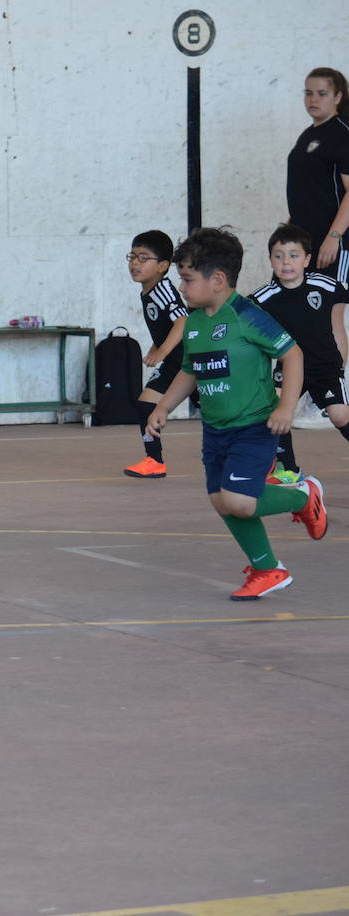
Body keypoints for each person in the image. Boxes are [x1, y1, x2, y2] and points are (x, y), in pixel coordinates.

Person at [146, 227, 327, 601]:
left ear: (218, 279)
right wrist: (163, 406)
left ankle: (302, 496)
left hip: (254, 425)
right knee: (220, 499)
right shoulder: (194, 322)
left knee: (239, 501)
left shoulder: (247, 315)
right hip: (215, 429)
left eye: (187, 279)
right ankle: (268, 570)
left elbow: (292, 354)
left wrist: (286, 406)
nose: (181, 287)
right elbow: (190, 370)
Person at [249, 223, 349, 482]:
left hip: (325, 368)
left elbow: (339, 318)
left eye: (294, 256)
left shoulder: (325, 287)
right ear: (270, 259)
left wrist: (340, 364)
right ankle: (288, 469)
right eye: (278, 256)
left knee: (340, 416)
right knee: (275, 411)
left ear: (307, 259)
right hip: (290, 369)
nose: (286, 263)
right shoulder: (263, 298)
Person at [122, 230, 189, 479]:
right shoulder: (148, 290)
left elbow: (183, 321)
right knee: (146, 405)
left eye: (143, 257)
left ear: (162, 266)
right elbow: (166, 325)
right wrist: (156, 345)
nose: (135, 263)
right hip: (175, 361)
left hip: (190, 361)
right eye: (132, 256)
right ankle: (154, 461)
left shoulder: (162, 290)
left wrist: (161, 351)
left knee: (224, 413)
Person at [286, 67, 349, 284]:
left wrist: (333, 238)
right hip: (302, 243)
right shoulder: (308, 135)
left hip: (332, 244)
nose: (313, 99)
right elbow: (306, 189)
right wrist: (288, 229)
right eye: (308, 93)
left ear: (337, 96)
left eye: (321, 94)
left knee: (331, 312)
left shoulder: (343, 134)